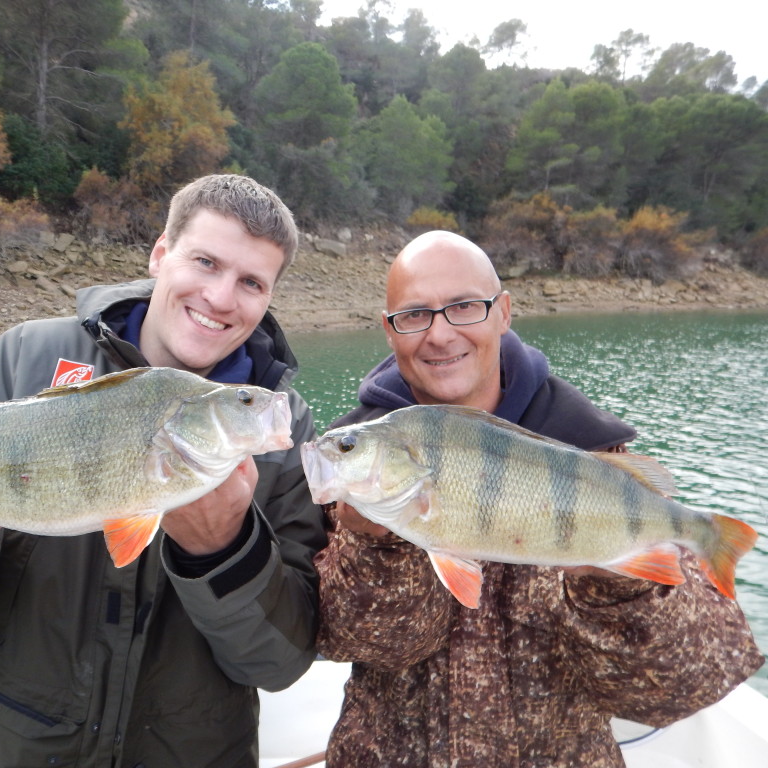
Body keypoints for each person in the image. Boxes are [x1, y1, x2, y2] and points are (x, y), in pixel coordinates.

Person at [0, 174, 328, 768]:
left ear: (269, 296)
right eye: (205, 262)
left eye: (251, 282)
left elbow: (279, 663)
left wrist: (222, 552)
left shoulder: (280, 430)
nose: (221, 297)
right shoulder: (21, 363)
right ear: (161, 253)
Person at [314, 230, 764, 767]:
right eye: (414, 315)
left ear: (503, 312)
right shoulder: (351, 463)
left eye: (464, 307)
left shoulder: (593, 451)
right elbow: (355, 644)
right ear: (390, 331)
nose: (438, 335)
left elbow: (677, 691)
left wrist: (617, 583)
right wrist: (375, 548)